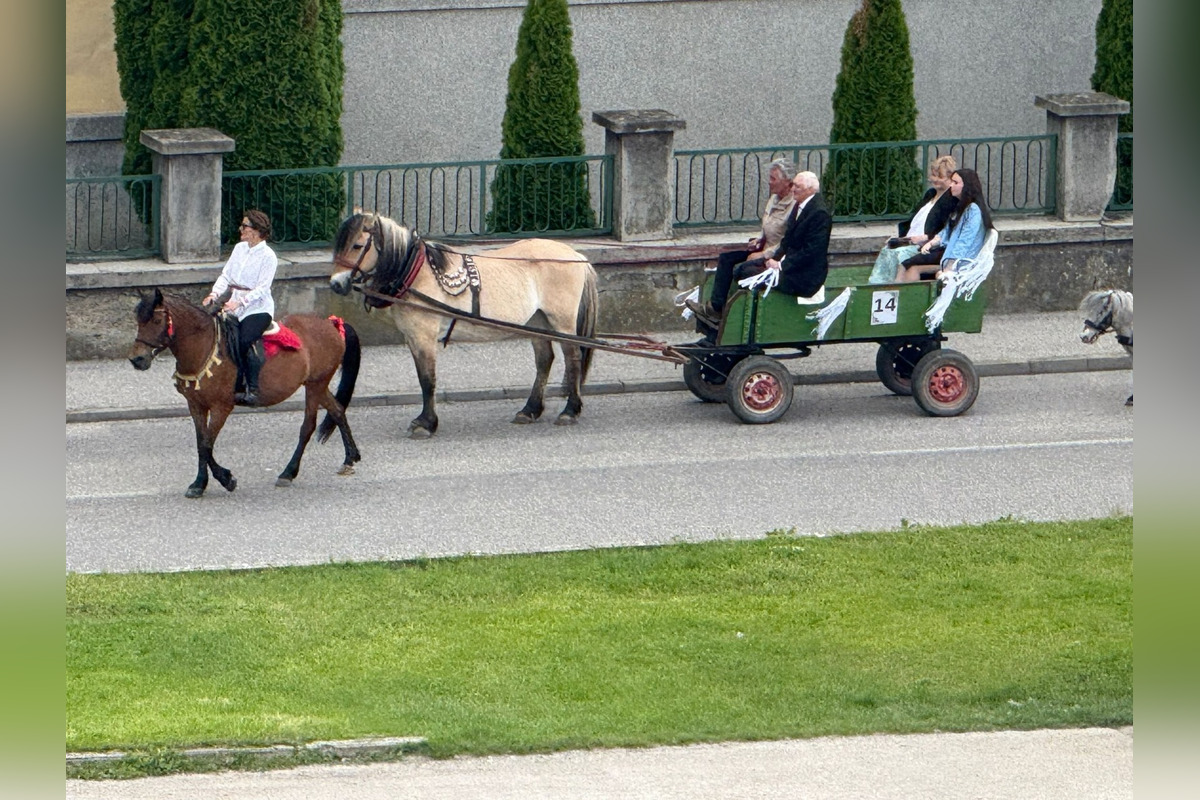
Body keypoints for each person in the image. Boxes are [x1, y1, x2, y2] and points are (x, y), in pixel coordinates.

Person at [686, 157, 797, 324]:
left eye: (773, 178)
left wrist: (763, 254)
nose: (769, 182)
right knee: (726, 259)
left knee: (742, 268)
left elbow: (786, 242)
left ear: (787, 182)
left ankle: (736, 319)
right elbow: (768, 225)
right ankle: (715, 309)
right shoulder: (774, 199)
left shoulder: (794, 206)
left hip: (775, 257)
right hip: (763, 249)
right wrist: (759, 239)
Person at [203, 209, 278, 405]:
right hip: (233, 304)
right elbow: (226, 275)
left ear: (256, 230)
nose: (241, 229)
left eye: (244, 226)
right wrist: (214, 293)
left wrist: (241, 302)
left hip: (257, 308)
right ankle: (232, 383)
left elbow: (263, 288)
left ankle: (253, 388)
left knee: (244, 340)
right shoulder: (239, 248)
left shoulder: (269, 256)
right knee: (224, 337)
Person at [867, 155, 958, 283]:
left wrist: (925, 238)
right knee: (886, 250)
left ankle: (894, 289)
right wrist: (900, 239)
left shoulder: (951, 200)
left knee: (900, 254)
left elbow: (946, 231)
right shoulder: (930, 194)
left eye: (940, 177)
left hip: (928, 245)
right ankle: (877, 287)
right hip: (910, 240)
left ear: (950, 178)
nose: (935, 179)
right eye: (933, 175)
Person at [898, 168, 994, 283]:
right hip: (948, 255)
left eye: (956, 183)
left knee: (909, 265)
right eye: (952, 181)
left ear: (967, 186)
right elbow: (945, 232)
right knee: (907, 264)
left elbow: (964, 242)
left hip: (961, 263)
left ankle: (897, 293)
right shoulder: (959, 207)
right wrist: (932, 243)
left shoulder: (973, 210)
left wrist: (949, 267)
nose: (951, 185)